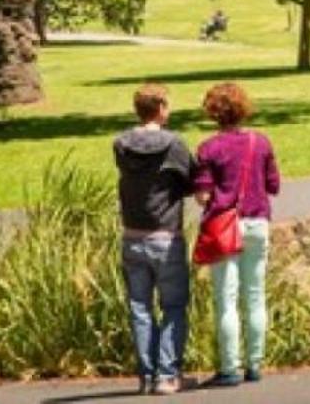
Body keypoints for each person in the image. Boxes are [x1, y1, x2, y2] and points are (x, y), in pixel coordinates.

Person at [193, 81, 281, 387]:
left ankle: (230, 367)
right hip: (257, 222)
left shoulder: (208, 148)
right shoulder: (262, 142)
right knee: (255, 295)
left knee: (226, 299)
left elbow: (203, 197)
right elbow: (273, 185)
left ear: (213, 113)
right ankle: (255, 363)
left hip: (224, 227)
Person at [113, 82, 194, 397]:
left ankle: (147, 375)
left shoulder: (121, 144)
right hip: (165, 234)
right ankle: (168, 374)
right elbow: (191, 177)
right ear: (160, 108)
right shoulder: (173, 144)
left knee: (140, 307)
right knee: (173, 305)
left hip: (132, 234)